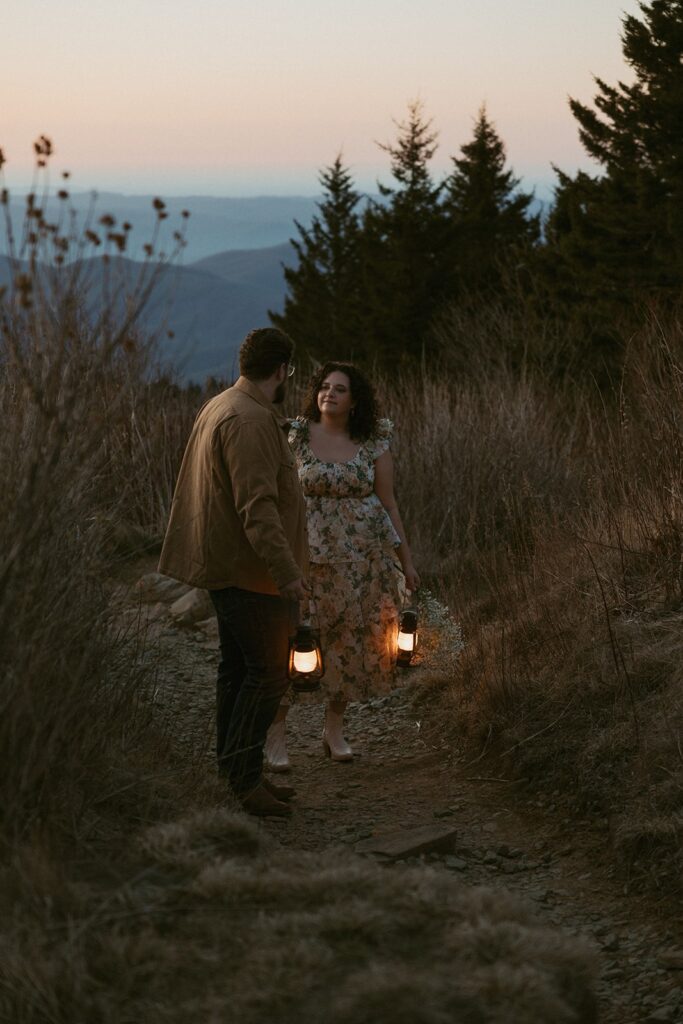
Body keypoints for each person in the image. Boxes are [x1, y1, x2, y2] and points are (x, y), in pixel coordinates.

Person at [158, 327, 309, 817]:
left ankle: (235, 777)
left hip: (231, 566)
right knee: (266, 675)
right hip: (250, 573)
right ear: (283, 369)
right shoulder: (248, 421)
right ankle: (243, 784)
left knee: (238, 670)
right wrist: (287, 572)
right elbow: (257, 508)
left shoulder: (225, 404)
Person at [264, 361, 419, 769]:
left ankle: (333, 730)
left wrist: (406, 560)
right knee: (294, 642)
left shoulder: (373, 443)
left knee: (350, 645)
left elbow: (389, 503)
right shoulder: (295, 437)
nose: (329, 394)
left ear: (355, 401)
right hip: (307, 558)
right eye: (324, 387)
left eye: (340, 389)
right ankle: (274, 736)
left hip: (362, 561)